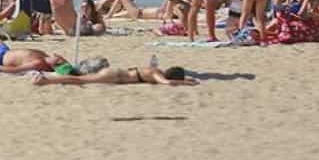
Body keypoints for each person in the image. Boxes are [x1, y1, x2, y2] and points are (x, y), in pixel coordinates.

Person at [0, 21, 67, 74]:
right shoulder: (45, 57)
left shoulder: (39, 63)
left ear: (54, 64)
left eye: (58, 58)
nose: (57, 55)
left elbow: (17, 69)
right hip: (4, 51)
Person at [30, 63, 198, 87]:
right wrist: (187, 83)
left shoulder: (155, 69)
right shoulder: (156, 73)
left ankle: (47, 77)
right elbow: (166, 83)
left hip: (117, 72)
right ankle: (45, 80)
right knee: (79, 79)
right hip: (116, 76)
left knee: (81, 78)